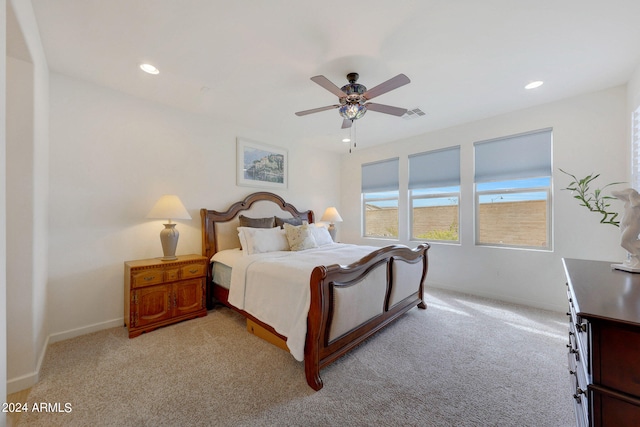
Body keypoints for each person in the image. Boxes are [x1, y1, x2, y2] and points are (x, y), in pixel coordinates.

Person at [612, 188, 640, 268]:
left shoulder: (636, 201)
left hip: (633, 226)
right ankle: (635, 258)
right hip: (626, 225)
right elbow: (613, 193)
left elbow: (635, 204)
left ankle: (637, 256)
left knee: (624, 242)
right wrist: (625, 193)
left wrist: (631, 196)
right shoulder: (628, 200)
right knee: (631, 242)